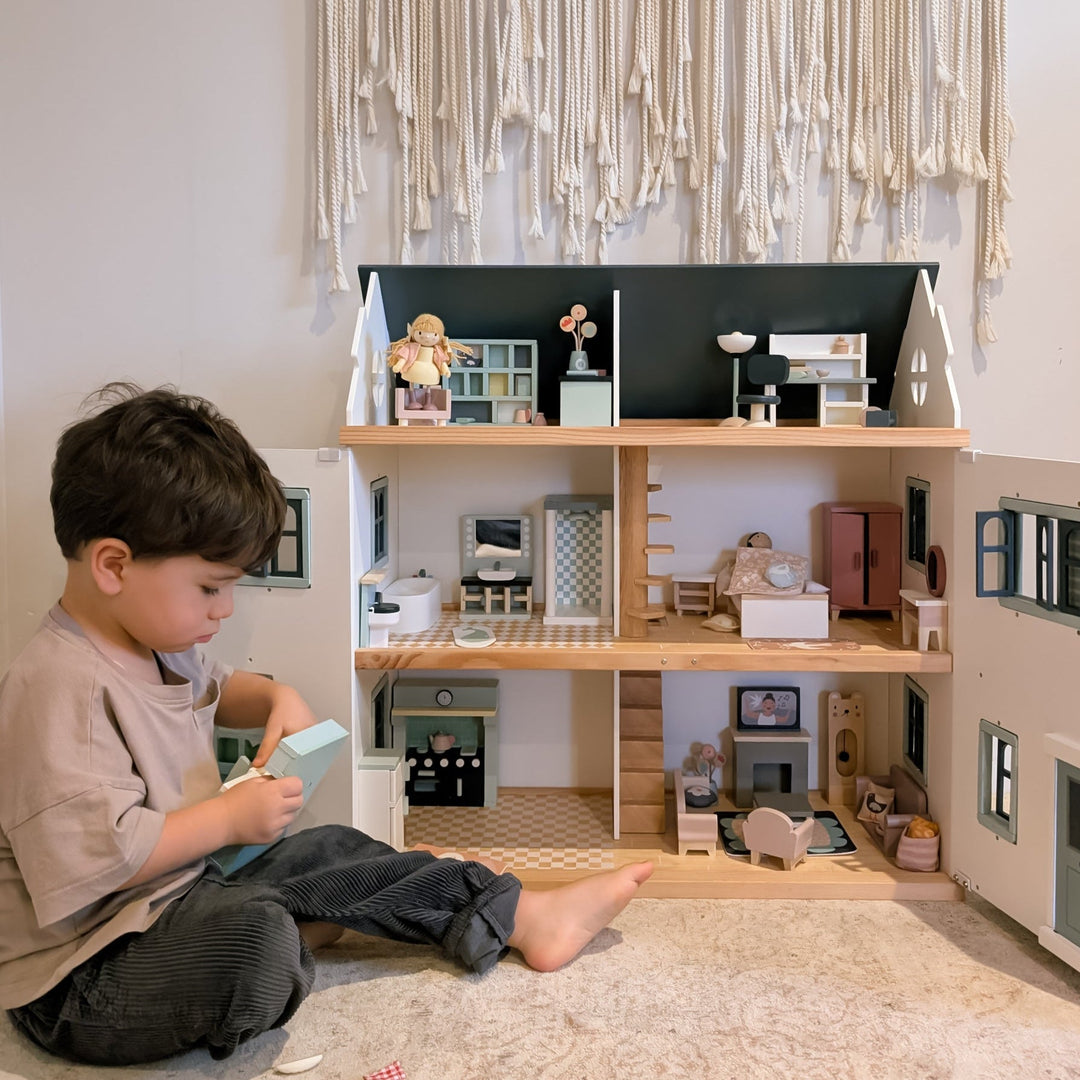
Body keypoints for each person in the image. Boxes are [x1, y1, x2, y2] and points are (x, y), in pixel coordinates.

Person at [0, 383, 653, 1066]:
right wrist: (227, 820)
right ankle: (296, 930)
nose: (224, 610)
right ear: (113, 565)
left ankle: (519, 916)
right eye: (211, 587)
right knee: (255, 943)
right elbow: (106, 858)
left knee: (335, 850)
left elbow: (222, 688)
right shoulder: (56, 688)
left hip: (187, 885)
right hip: (87, 972)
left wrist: (278, 698)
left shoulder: (158, 641)